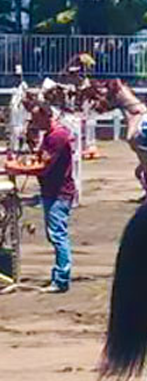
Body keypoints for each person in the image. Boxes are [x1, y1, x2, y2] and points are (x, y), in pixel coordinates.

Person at [5, 101, 76, 293]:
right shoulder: (51, 136)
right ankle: (60, 276)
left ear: (47, 115)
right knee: (55, 234)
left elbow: (43, 168)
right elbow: (40, 161)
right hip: (52, 191)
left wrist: (16, 169)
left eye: (37, 119)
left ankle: (61, 279)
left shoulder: (57, 137)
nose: (34, 123)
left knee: (57, 235)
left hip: (59, 192)